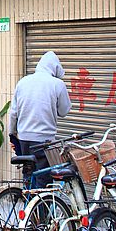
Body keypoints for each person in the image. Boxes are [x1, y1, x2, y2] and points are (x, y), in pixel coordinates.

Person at [9, 50, 72, 188]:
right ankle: (40, 209)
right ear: (54, 69)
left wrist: (12, 135)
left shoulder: (23, 82)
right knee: (43, 179)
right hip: (44, 141)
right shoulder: (57, 84)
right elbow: (64, 111)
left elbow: (13, 112)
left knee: (28, 173)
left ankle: (28, 206)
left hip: (24, 139)